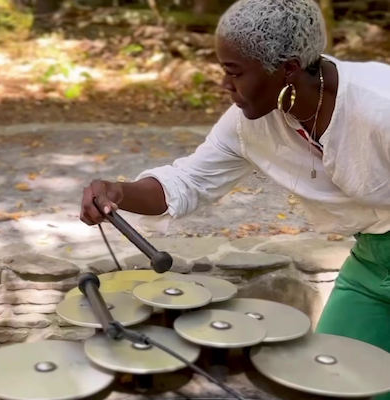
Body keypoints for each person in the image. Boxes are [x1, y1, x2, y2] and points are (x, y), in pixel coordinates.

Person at [81, 0, 390, 390]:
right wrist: (118, 192)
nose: (225, 85)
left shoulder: (380, 105)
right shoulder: (251, 123)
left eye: (235, 72)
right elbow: (186, 182)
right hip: (371, 263)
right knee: (328, 383)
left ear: (289, 69)